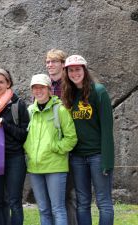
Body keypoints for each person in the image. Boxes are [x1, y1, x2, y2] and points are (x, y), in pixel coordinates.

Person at [62, 55, 115, 225]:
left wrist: (107, 160)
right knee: (83, 203)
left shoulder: (98, 91)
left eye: (78, 69)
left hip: (97, 156)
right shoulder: (69, 94)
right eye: (71, 70)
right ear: (67, 72)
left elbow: (107, 129)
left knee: (103, 202)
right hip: (77, 157)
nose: (75, 73)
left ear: (84, 70)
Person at [23, 73, 77, 225]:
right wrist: (29, 150)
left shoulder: (60, 110)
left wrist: (55, 147)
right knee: (43, 209)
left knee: (57, 209)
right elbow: (25, 136)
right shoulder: (30, 111)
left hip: (55, 167)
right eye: (35, 88)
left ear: (49, 89)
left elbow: (71, 138)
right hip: (35, 168)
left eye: (42, 87)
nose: (38, 91)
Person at [0, 68, 29, 225]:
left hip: (14, 158)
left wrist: (6, 125)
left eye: (1, 82)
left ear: (8, 83)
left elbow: (23, 135)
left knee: (14, 201)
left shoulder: (18, 104)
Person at [46, 49, 78, 225]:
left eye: (54, 61)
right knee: (54, 198)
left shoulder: (71, 86)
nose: (50, 65)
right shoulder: (45, 86)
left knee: (69, 194)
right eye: (48, 62)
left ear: (63, 64)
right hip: (52, 147)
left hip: (70, 145)